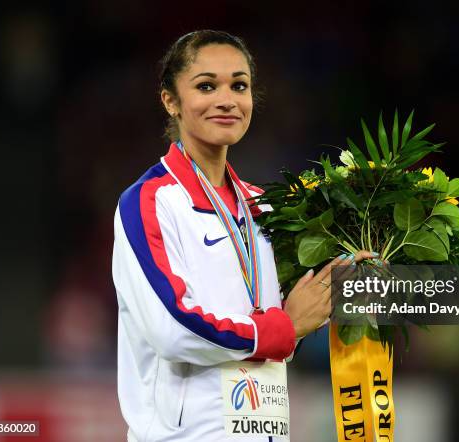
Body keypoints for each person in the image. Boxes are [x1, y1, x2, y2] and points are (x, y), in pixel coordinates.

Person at [112, 30, 374, 442]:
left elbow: (284, 322)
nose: (227, 99)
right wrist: (284, 327)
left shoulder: (264, 208)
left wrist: (349, 283)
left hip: (264, 430)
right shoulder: (151, 202)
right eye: (205, 86)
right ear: (170, 100)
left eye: (239, 85)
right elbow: (173, 329)